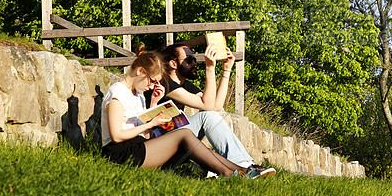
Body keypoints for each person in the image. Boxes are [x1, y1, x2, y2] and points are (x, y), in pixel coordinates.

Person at [100, 50, 256, 178]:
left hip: (138, 147)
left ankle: (244, 171)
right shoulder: (117, 93)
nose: (152, 86)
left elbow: (146, 136)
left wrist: (153, 105)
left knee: (193, 142)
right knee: (185, 134)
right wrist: (151, 124)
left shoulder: (138, 94)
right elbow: (117, 136)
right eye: (152, 81)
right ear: (140, 71)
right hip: (120, 153)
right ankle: (228, 174)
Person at [147, 42, 275, 178]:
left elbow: (215, 106)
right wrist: (210, 67)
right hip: (158, 147)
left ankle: (243, 166)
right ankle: (243, 166)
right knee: (206, 116)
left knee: (209, 114)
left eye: (195, 59)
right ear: (173, 64)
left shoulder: (186, 86)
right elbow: (207, 108)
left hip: (175, 142)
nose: (195, 63)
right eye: (189, 60)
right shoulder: (164, 83)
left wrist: (226, 70)